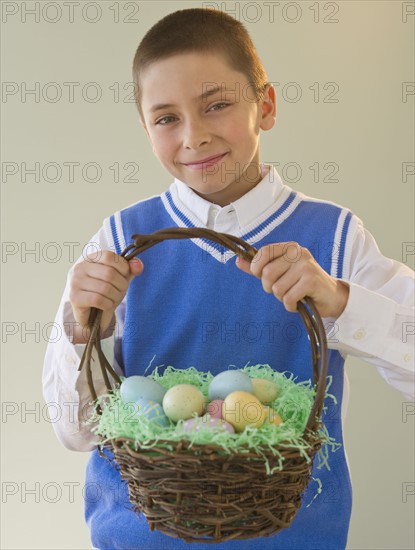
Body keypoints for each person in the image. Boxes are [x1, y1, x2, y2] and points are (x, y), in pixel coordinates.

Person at [43, 7, 414, 550]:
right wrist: (85, 328)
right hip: (138, 537)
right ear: (146, 129)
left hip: (295, 538)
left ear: (264, 106)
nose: (194, 137)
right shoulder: (119, 240)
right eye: (167, 118)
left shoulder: (333, 236)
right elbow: (75, 432)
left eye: (216, 105)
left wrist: (339, 301)